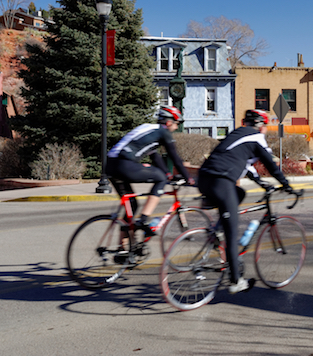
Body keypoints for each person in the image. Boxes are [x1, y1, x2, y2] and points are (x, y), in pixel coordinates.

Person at [197, 109, 294, 294]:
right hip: (220, 181)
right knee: (232, 233)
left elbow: (246, 164)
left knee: (239, 193)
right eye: (265, 126)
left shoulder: (236, 134)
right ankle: (236, 281)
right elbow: (270, 164)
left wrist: (260, 182)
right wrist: (286, 184)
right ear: (261, 125)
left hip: (204, 179)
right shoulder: (257, 137)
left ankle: (216, 231)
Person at [106, 106, 191, 236]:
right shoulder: (163, 132)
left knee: (132, 207)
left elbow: (155, 157)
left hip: (111, 165)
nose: (176, 128)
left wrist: (169, 175)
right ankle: (144, 219)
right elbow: (175, 158)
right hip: (124, 164)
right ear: (169, 122)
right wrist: (188, 178)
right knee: (160, 177)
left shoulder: (148, 129)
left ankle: (123, 250)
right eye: (176, 124)